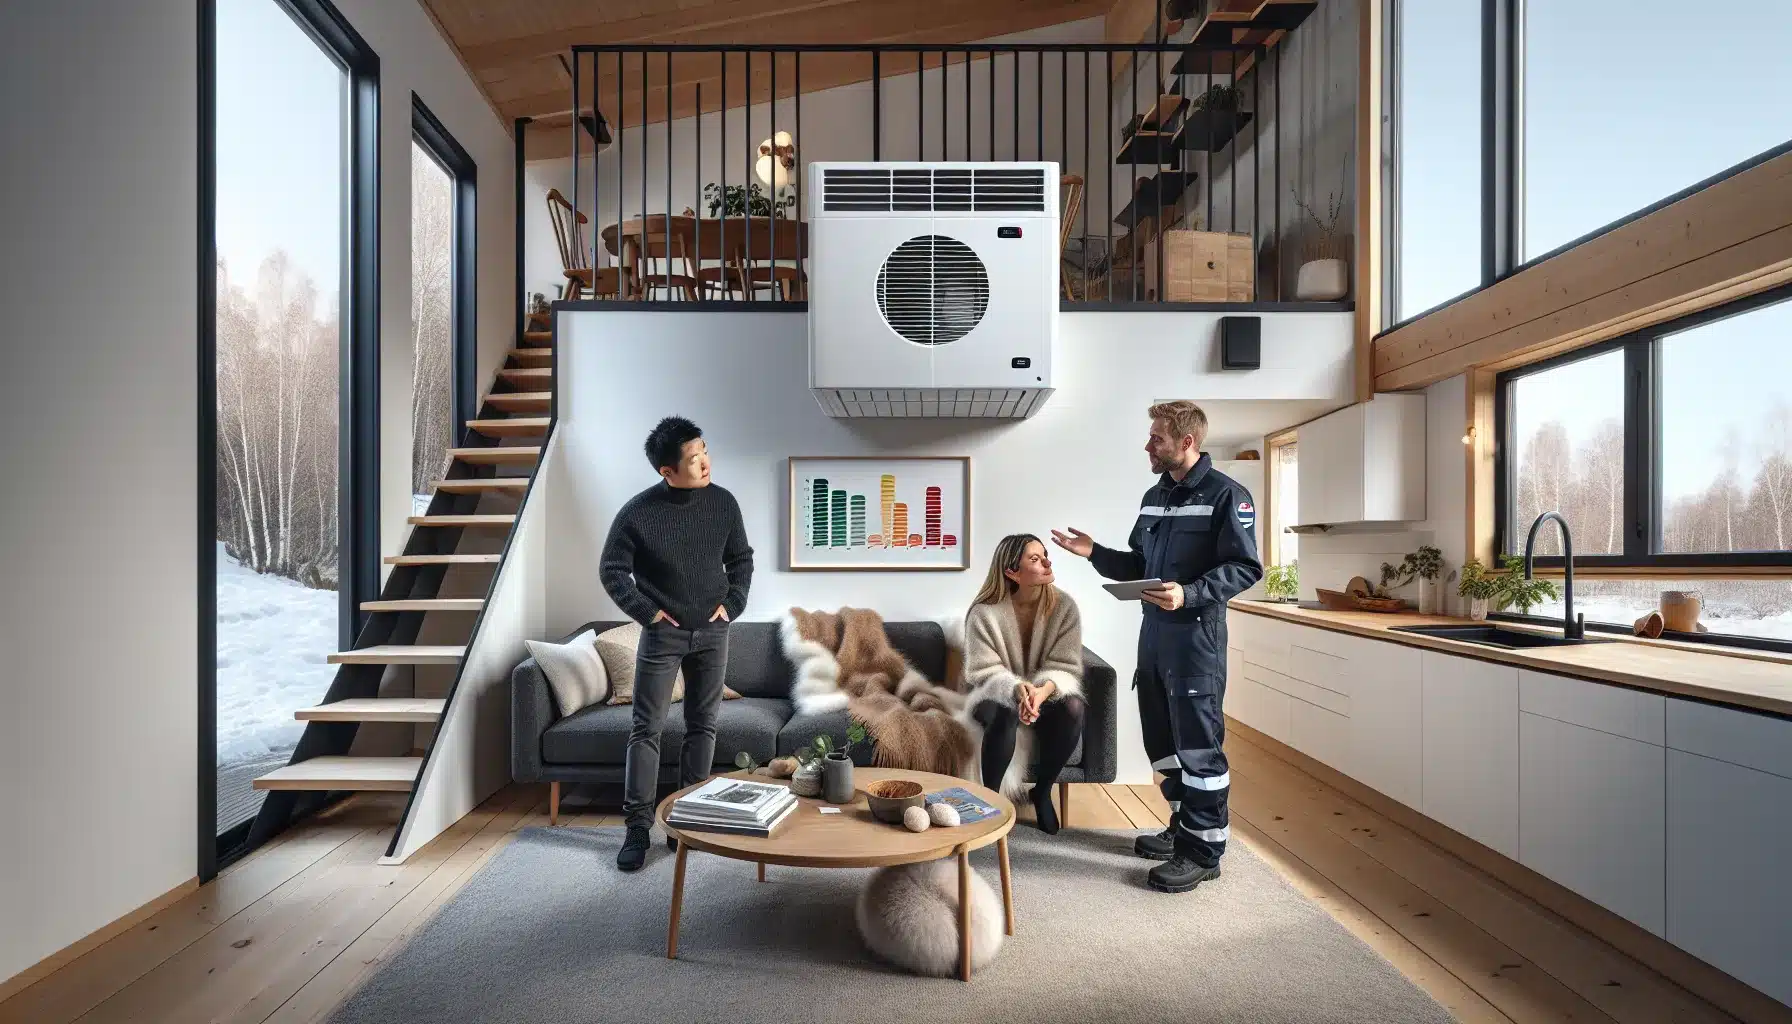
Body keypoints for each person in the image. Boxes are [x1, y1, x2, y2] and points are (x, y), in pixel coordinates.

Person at [1051, 400, 1261, 893]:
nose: (1149, 444)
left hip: (1195, 645)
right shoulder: (1155, 496)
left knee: (1197, 749)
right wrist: (1095, 553)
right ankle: (1182, 826)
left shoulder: (1228, 496)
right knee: (1163, 747)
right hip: (1154, 642)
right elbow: (1138, 567)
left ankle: (1204, 851)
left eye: (1157, 437)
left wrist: (1188, 593)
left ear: (1186, 442)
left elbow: (1246, 568)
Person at [600, 416, 754, 872]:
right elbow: (612, 569)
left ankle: (686, 820)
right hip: (662, 636)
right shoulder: (638, 512)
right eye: (692, 457)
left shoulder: (723, 503)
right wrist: (647, 612)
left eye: (704, 449)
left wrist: (734, 603)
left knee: (702, 727)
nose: (704, 461)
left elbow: (741, 559)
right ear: (667, 470)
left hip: (713, 633)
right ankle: (636, 830)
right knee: (646, 730)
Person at [962, 534, 1087, 835]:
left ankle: (1042, 792)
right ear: (1011, 572)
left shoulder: (1065, 607)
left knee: (1073, 706)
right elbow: (983, 671)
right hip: (993, 694)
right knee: (1004, 712)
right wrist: (1017, 690)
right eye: (1035, 558)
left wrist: (1042, 691)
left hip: (1043, 694)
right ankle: (989, 803)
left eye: (1045, 554)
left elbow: (1065, 665)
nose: (1047, 561)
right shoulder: (982, 613)